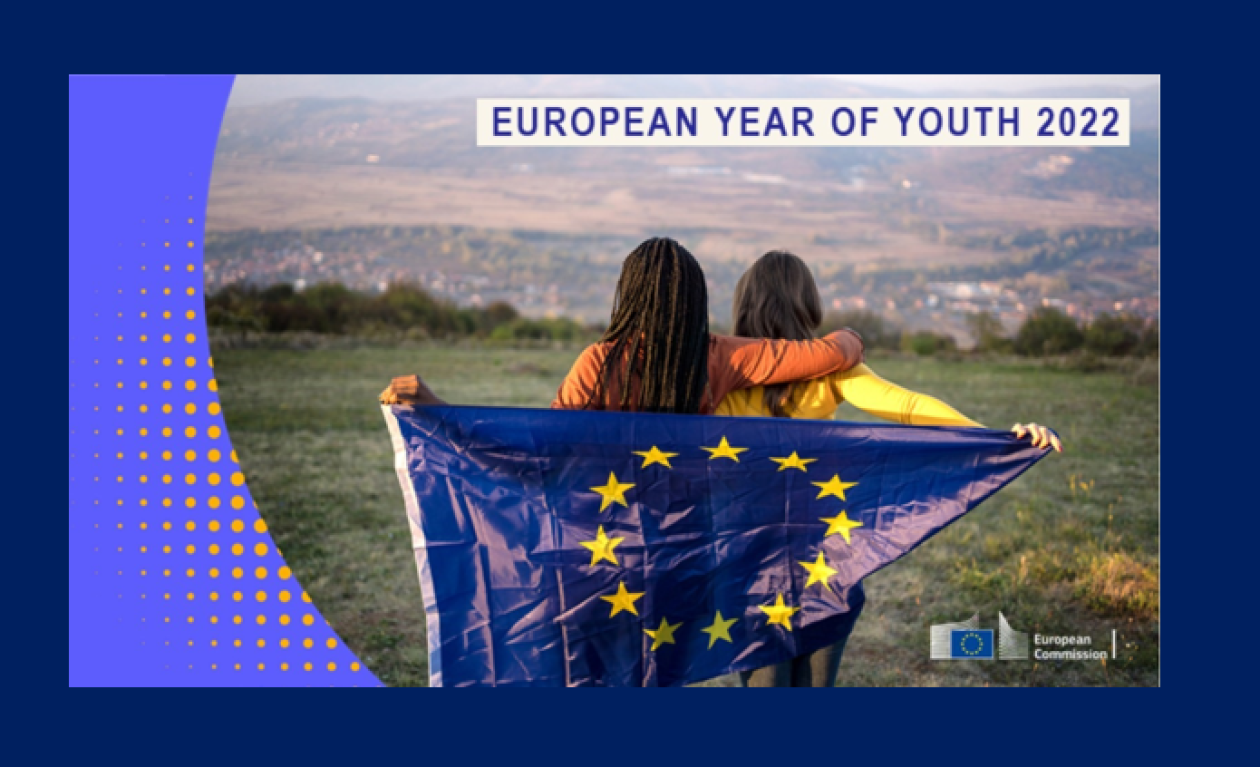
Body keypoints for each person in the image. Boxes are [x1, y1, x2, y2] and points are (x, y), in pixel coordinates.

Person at [716, 250, 1060, 688]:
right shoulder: (829, 369)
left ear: (744, 304)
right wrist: (994, 437)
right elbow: (910, 407)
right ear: (805, 302)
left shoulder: (720, 375)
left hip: (750, 565)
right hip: (828, 563)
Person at [382, 237, 870, 411]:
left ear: (628, 295)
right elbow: (832, 353)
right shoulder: (721, 356)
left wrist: (435, 408)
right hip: (691, 536)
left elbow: (534, 445)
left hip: (608, 536)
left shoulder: (597, 363)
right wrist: (850, 336)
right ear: (695, 299)